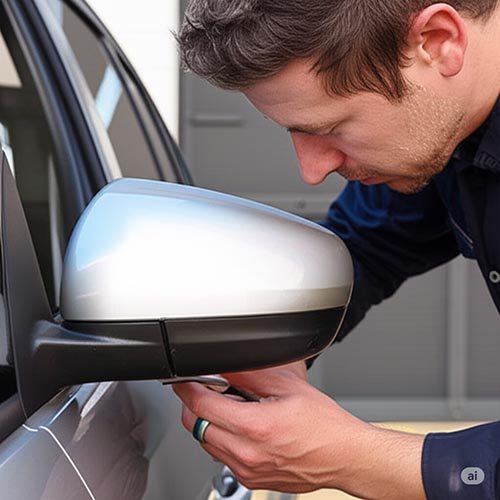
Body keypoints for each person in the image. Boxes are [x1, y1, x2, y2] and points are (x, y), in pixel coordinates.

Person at [173, 1, 500, 498]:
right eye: (294, 131)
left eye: (328, 128)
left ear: (438, 41)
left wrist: (355, 457)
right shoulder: (442, 125)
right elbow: (366, 247)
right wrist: (276, 346)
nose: (312, 170)